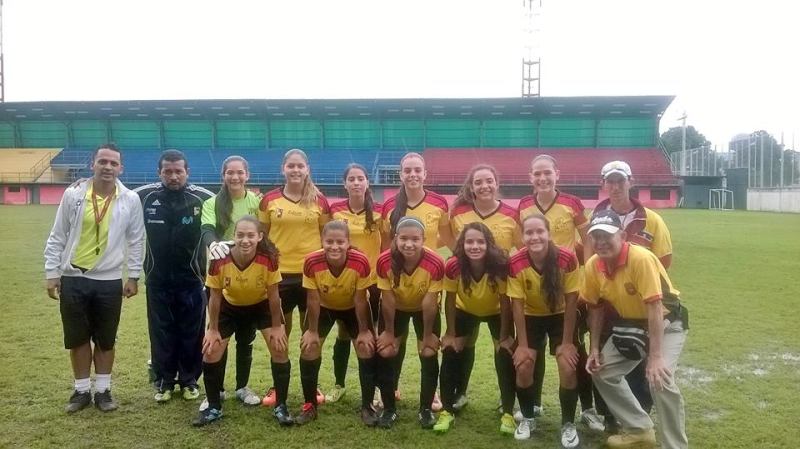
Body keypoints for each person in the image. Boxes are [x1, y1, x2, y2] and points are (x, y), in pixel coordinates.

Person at [44, 143, 145, 413]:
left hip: (109, 280)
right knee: (77, 338)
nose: (108, 167)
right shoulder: (73, 194)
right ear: (93, 164)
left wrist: (133, 275)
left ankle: (103, 390)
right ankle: (81, 391)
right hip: (73, 277)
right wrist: (52, 272)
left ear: (121, 168)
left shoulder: (130, 199)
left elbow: (136, 240)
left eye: (113, 163)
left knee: (105, 339)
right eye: (103, 162)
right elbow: (58, 235)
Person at [582, 210, 688, 449]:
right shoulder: (592, 265)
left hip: (667, 323)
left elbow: (655, 306)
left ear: (622, 235)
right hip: (633, 327)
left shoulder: (641, 258)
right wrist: (594, 348)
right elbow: (595, 308)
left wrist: (656, 357)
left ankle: (675, 445)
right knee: (601, 370)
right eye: (595, 236)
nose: (601, 242)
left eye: (607, 235)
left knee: (659, 379)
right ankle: (639, 430)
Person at [517, 154, 598, 425]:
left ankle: (587, 408)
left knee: (575, 351)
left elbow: (587, 238)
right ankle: (534, 405)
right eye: (537, 174)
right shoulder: (525, 204)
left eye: (547, 173)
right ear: (530, 177)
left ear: (557, 174)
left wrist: (587, 268)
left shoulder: (572, 203)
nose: (542, 178)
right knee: (533, 351)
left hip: (567, 284)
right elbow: (525, 240)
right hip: (534, 286)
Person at [593, 160, 674, 417]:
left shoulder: (652, 220)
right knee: (604, 361)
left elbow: (663, 262)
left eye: (621, 181)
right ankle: (609, 418)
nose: (615, 186)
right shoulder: (595, 218)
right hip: (608, 304)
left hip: (643, 304)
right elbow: (590, 262)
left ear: (631, 182)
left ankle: (641, 416)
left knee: (641, 361)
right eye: (610, 181)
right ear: (603, 184)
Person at [192, 216, 287, 427]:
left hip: (260, 306)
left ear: (260, 237)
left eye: (251, 235)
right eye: (240, 235)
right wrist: (213, 329)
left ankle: (281, 406)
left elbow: (273, 296)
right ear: (233, 237)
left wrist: (279, 326)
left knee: (279, 348)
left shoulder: (268, 258)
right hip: (230, 307)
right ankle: (214, 407)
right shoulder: (219, 259)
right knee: (211, 350)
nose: (245, 240)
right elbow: (215, 296)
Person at [134, 149, 213, 402]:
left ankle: (189, 380)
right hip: (157, 280)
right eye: (168, 171)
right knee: (161, 331)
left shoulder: (202, 197)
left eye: (178, 171)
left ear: (187, 172)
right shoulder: (145, 196)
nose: (173, 176)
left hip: (192, 280)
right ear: (160, 173)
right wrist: (85, 181)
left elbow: (229, 203)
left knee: (192, 332)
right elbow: (116, 195)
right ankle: (165, 381)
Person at [447, 164, 521, 413]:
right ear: (471, 186)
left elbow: (522, 250)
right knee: (462, 345)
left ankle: (506, 398)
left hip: (498, 295)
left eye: (489, 180)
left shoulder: (512, 214)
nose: (484, 186)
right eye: (478, 182)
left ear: (496, 183)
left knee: (504, 345)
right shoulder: (458, 212)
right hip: (467, 295)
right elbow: (449, 241)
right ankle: (460, 393)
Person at [258, 148, 330, 407]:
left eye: (300, 166)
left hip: (311, 275)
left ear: (307, 169)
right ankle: (279, 387)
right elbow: (262, 237)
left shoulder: (319, 201)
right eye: (291, 166)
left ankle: (312, 385)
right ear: (283, 169)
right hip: (279, 276)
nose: (296, 170)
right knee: (280, 333)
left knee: (311, 332)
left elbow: (326, 237)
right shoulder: (269, 200)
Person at [380, 152, 452, 408]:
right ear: (400, 174)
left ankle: (430, 393)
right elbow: (385, 246)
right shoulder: (389, 206)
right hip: (397, 284)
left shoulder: (439, 203)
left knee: (428, 343)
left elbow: (449, 239)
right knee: (392, 343)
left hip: (427, 284)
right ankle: (390, 388)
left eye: (417, 170)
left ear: (424, 173)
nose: (412, 174)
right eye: (407, 170)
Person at [434, 222, 516, 435]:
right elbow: (450, 301)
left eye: (480, 242)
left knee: (505, 352)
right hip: (466, 310)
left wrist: (505, 336)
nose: (475, 246)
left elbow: (506, 302)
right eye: (469, 242)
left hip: (496, 312)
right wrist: (450, 334)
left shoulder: (498, 265)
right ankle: (447, 410)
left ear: (489, 244)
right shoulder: (454, 265)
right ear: (462, 244)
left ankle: (508, 412)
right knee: (451, 351)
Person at [508, 214, 581, 448]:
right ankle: (528, 417)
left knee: (567, 365)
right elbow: (517, 306)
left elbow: (571, 302)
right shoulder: (516, 262)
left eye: (540, 231)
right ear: (522, 236)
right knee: (524, 364)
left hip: (561, 316)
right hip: (531, 316)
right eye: (529, 232)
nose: (535, 236)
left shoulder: (567, 258)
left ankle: (568, 424)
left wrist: (568, 342)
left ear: (549, 234)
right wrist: (521, 346)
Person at [296, 221, 378, 425]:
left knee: (366, 347)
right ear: (322, 241)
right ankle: (309, 406)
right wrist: (312, 331)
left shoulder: (360, 261)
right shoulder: (311, 261)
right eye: (329, 241)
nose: (335, 246)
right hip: (324, 307)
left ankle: (367, 406)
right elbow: (313, 300)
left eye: (340, 242)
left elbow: (361, 299)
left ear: (348, 242)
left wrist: (365, 331)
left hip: (352, 307)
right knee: (309, 347)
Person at [199, 155, 263, 409]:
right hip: (220, 278)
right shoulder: (213, 202)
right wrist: (214, 244)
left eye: (240, 173)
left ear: (247, 175)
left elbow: (263, 233)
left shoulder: (256, 202)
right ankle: (216, 391)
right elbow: (206, 230)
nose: (235, 177)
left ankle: (242, 387)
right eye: (230, 173)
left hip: (250, 279)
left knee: (246, 338)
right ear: (223, 175)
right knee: (218, 337)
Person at [375, 217, 445, 429]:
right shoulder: (384, 261)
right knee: (387, 351)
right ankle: (389, 408)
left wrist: (428, 335)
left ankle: (425, 409)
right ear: (395, 238)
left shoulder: (435, 262)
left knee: (429, 351)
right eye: (403, 238)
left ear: (424, 239)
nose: (409, 244)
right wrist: (388, 332)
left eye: (415, 239)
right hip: (396, 308)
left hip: (424, 309)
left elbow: (430, 302)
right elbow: (387, 299)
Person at [326, 163, 383, 403]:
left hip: (373, 281)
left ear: (367, 182)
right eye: (352, 179)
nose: (356, 182)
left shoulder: (380, 212)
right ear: (345, 183)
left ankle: (378, 387)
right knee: (343, 332)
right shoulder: (335, 210)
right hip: (346, 279)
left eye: (361, 178)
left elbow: (388, 244)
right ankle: (339, 384)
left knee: (373, 334)